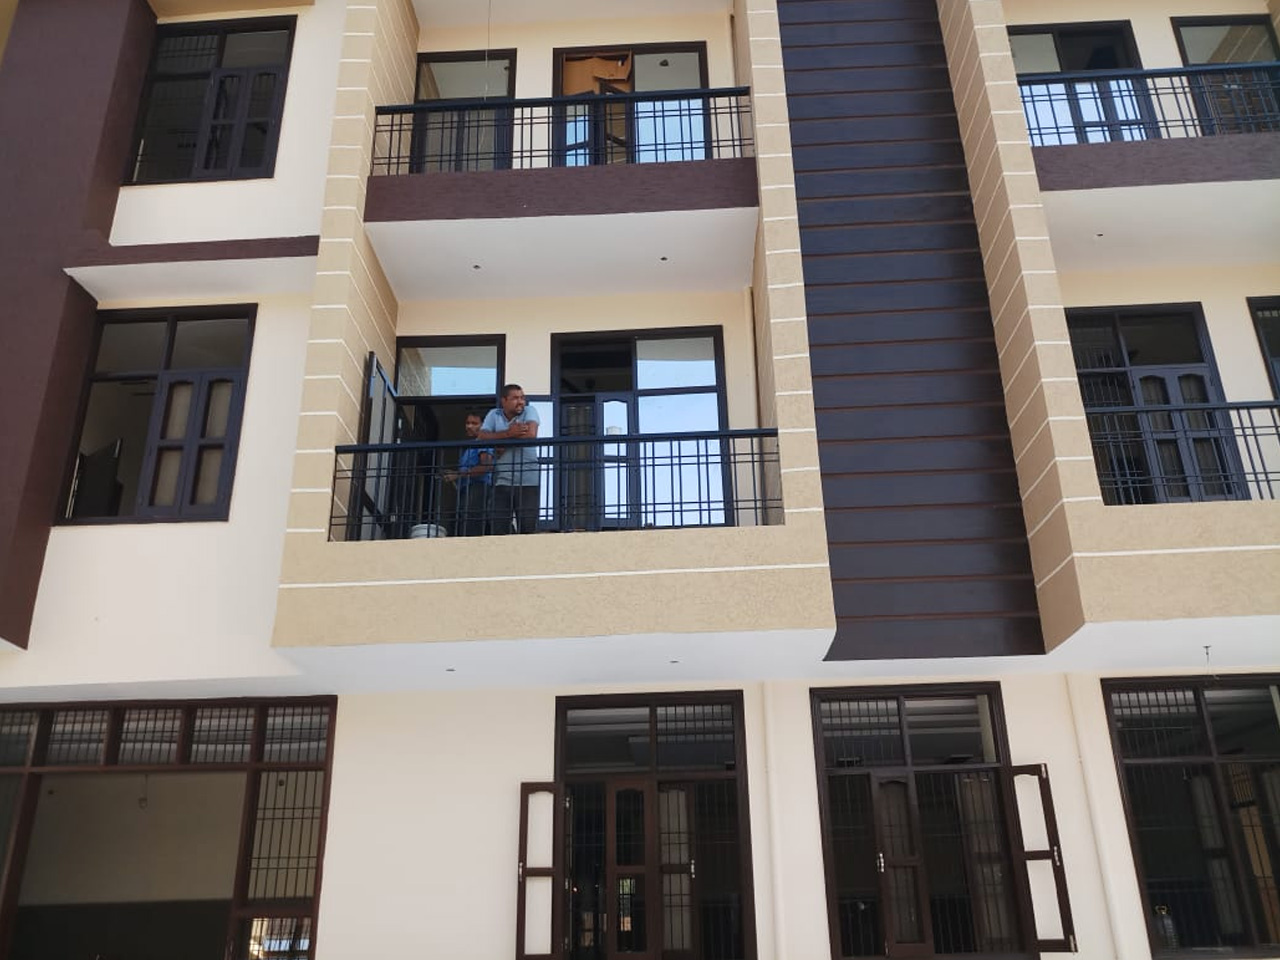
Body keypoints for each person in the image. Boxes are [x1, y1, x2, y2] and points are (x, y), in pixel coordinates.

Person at [479, 384, 541, 534]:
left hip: (528, 479)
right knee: (498, 526)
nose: (521, 402)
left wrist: (500, 442)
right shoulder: (494, 414)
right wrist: (509, 433)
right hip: (502, 480)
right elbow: (482, 437)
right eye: (515, 398)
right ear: (504, 400)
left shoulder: (529, 410)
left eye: (522, 398)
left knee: (528, 527)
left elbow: (531, 435)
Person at [443, 412, 493, 536]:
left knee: (471, 525)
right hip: (467, 490)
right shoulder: (471, 446)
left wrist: (458, 475)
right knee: (460, 523)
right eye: (467, 423)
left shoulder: (483, 441)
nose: (469, 426)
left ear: (483, 426)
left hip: (478, 488)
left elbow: (486, 466)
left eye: (474, 423)